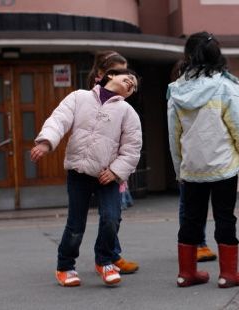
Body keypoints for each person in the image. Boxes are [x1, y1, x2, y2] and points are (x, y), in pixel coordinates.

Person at [31, 68, 142, 286]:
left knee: (111, 218)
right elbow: (59, 119)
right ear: (110, 76)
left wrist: (116, 171)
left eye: (134, 86)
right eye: (127, 78)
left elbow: (132, 148)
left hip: (107, 176)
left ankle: (104, 261)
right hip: (78, 172)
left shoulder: (128, 112)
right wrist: (46, 142)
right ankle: (65, 266)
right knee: (75, 224)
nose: (131, 84)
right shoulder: (78, 97)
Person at [167, 32, 239, 288]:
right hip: (223, 167)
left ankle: (186, 273)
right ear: (217, 55)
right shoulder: (227, 87)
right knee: (225, 217)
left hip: (192, 169)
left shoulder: (176, 90)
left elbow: (174, 135)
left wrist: (179, 169)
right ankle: (228, 275)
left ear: (188, 56)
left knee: (191, 219)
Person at [86, 50, 140, 274]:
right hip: (92, 168)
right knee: (102, 216)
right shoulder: (87, 99)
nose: (124, 77)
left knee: (113, 215)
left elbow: (130, 139)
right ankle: (107, 256)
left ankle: (111, 254)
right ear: (101, 74)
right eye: (117, 72)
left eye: (126, 72)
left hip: (115, 168)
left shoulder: (123, 104)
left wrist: (118, 168)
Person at [169, 59, 218, 263]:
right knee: (189, 206)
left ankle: (197, 243)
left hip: (203, 156)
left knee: (196, 204)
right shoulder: (175, 94)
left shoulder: (201, 92)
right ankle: (196, 244)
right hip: (190, 159)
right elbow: (174, 134)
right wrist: (178, 167)